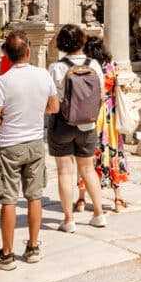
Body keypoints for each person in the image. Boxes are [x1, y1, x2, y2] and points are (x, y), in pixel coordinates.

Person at [0, 30, 58, 270]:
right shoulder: (43, 75)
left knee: (9, 198)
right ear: (28, 51)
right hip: (36, 141)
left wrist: (12, 118)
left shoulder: (2, 82)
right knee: (34, 195)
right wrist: (34, 114)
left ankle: (6, 254)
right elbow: (54, 107)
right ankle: (33, 246)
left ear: (6, 53)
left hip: (10, 143)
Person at [47, 24, 106, 233]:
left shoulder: (56, 67)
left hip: (62, 123)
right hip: (87, 124)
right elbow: (101, 96)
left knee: (64, 171)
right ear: (82, 41)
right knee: (88, 169)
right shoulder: (95, 65)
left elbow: (52, 99)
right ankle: (98, 214)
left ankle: (69, 219)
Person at [75, 37, 129, 213]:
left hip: (90, 115)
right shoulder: (111, 66)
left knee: (86, 155)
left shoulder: (86, 68)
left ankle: (82, 199)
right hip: (109, 117)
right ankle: (118, 199)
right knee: (112, 151)